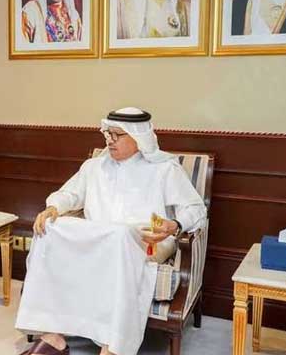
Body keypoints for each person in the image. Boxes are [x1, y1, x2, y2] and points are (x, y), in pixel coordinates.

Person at [16, 107, 206, 355]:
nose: (110, 140)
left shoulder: (164, 169)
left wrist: (176, 225)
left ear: (138, 137)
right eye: (107, 133)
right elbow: (70, 193)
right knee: (49, 228)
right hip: (100, 238)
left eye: (117, 135)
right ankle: (53, 338)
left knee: (119, 236)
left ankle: (113, 347)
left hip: (147, 240)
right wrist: (54, 207)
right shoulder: (94, 166)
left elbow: (196, 209)